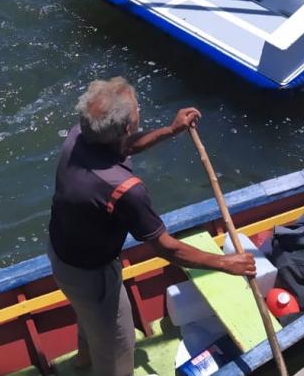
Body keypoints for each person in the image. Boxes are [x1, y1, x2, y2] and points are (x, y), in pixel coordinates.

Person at [46, 77, 255, 376]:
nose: (139, 110)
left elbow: (121, 147)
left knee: (89, 317)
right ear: (127, 127)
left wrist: (171, 130)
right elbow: (165, 247)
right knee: (118, 348)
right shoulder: (125, 190)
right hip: (92, 274)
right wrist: (224, 262)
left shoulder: (79, 136)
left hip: (61, 252)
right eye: (136, 110)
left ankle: (83, 363)